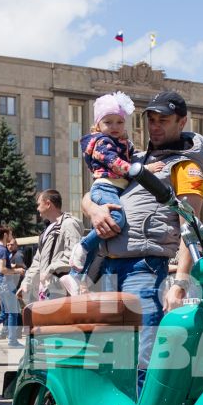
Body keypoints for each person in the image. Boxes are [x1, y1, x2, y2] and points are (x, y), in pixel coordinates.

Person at [81, 89, 203, 374]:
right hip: (108, 266)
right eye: (150, 119)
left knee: (143, 355)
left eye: (163, 120)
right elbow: (91, 193)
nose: (155, 126)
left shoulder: (185, 167)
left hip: (144, 267)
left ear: (182, 122)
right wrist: (94, 210)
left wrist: (179, 284)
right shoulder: (134, 159)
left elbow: (188, 225)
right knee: (110, 357)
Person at [74, 92, 138, 282]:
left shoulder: (122, 144)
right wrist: (141, 170)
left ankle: (75, 275)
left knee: (104, 233)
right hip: (106, 186)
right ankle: (83, 245)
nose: (115, 127)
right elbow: (114, 163)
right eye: (108, 122)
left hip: (114, 187)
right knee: (116, 219)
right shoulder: (103, 142)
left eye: (119, 122)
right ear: (98, 126)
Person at [22, 188, 84, 303]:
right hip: (47, 290)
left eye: (39, 204)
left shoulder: (69, 224)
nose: (37, 208)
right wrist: (26, 282)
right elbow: (37, 261)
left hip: (62, 289)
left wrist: (49, 270)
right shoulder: (46, 230)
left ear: (48, 204)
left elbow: (74, 257)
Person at [0, 227, 24, 345]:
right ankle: (12, 340)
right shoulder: (2, 250)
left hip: (1, 284)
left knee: (5, 313)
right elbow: (3, 269)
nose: (11, 236)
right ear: (5, 235)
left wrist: (12, 267)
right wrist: (17, 271)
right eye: (10, 234)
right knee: (13, 313)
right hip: (7, 284)